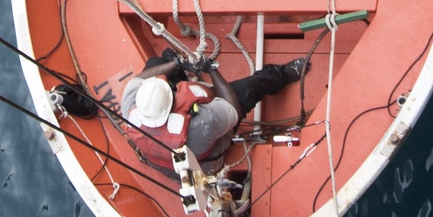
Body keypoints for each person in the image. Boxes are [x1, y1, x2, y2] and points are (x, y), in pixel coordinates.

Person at [121, 52, 307, 173]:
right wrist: (212, 71)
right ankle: (283, 74)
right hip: (206, 158)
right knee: (249, 88)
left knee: (155, 62)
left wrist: (175, 64)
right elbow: (231, 107)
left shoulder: (131, 106)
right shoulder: (201, 124)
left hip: (164, 161)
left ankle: (176, 66)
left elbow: (142, 78)